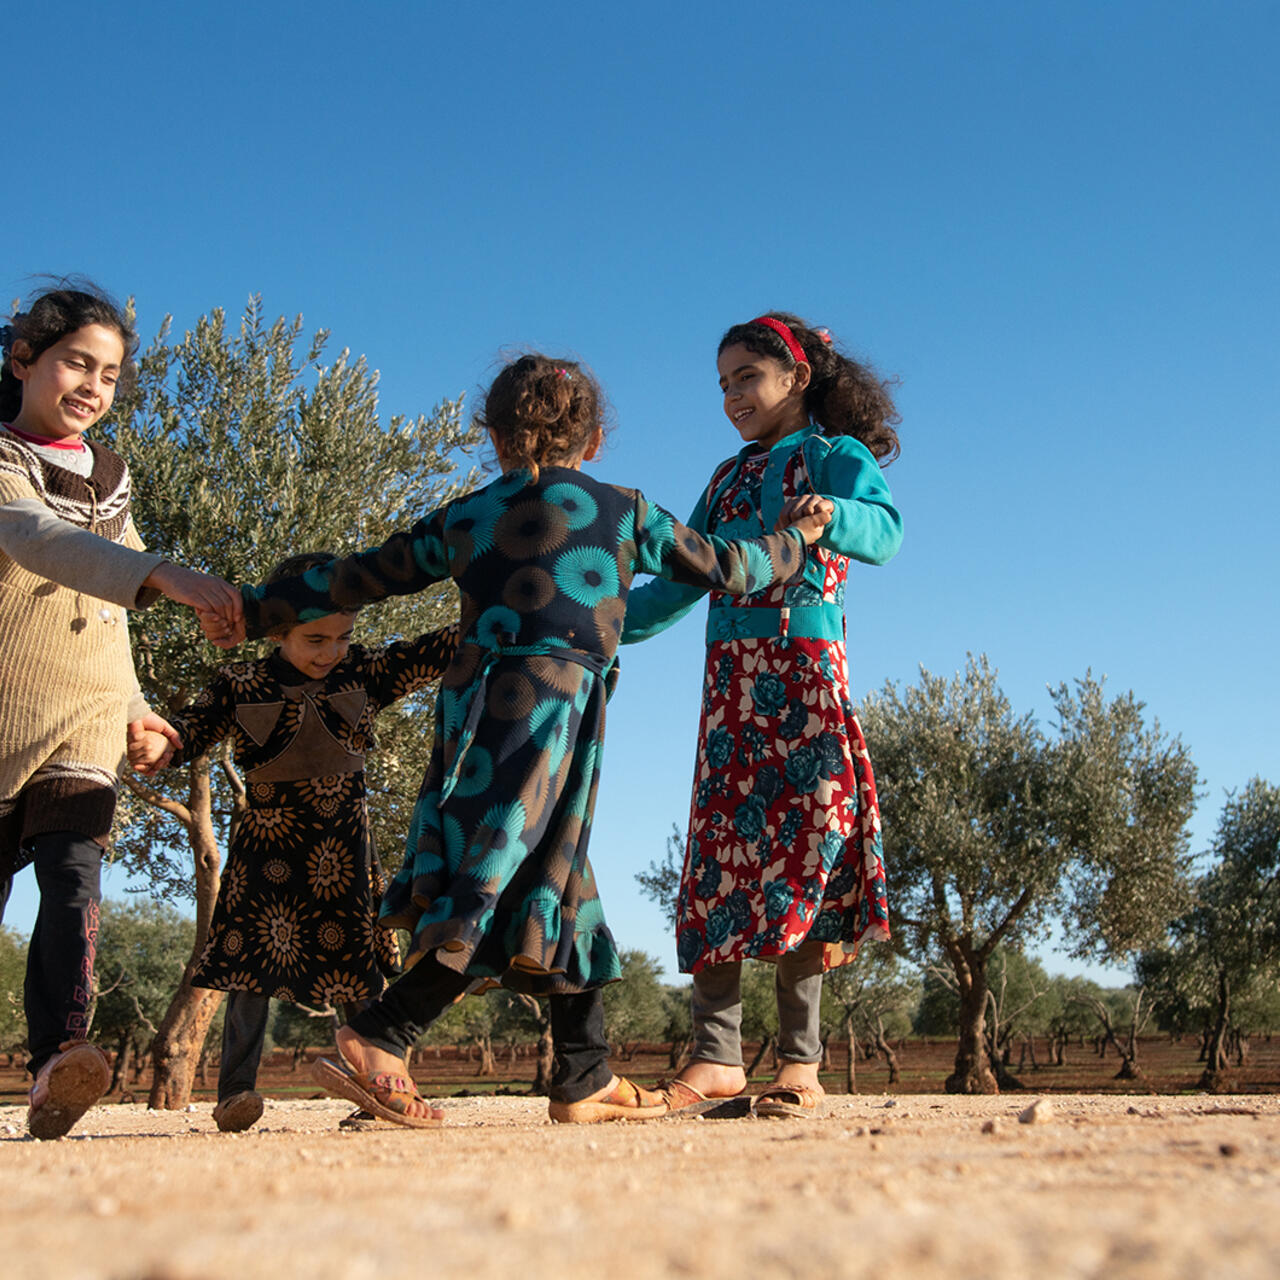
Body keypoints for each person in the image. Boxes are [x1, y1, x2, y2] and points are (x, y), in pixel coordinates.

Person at [203, 352, 832, 1126]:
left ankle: (583, 1074)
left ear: (492, 437)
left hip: (474, 707)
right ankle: (381, 1033)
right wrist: (795, 539)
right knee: (501, 871)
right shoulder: (624, 509)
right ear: (594, 439)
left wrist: (253, 608)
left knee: (555, 871)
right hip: (554, 702)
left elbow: (358, 577)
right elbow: (729, 568)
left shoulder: (467, 516)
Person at [621, 312, 903, 1119]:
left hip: (808, 679)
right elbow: (684, 580)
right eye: (723, 385)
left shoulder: (835, 458)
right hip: (732, 689)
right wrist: (603, 623)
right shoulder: (726, 478)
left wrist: (831, 517)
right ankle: (715, 1056)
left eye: (747, 377)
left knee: (810, 853)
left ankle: (801, 1065)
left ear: (796, 377)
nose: (733, 397)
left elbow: (886, 532)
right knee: (720, 854)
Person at [0, 282, 241, 1139]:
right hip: (3, 719)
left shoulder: (111, 476)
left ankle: (56, 1065)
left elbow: (106, 609)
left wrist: (139, 706)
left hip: (85, 722)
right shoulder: (3, 460)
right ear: (23, 359)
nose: (94, 385)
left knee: (74, 884)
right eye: (76, 361)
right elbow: (37, 539)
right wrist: (166, 576)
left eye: (109, 374)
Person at [128, 552, 460, 1132]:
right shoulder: (239, 682)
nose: (331, 650)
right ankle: (235, 1094)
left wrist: (505, 610)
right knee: (248, 972)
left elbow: (435, 649)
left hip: (345, 853)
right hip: (266, 852)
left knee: (358, 970)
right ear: (278, 629)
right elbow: (190, 731)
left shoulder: (364, 672)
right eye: (315, 638)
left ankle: (376, 1090)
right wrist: (162, 747)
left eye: (342, 636)